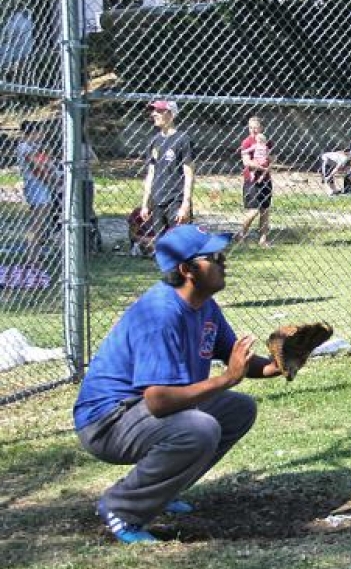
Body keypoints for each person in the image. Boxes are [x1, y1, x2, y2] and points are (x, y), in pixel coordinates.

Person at [72, 225, 283, 544]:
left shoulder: (205, 306)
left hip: (139, 414)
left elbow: (234, 359)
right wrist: (227, 378)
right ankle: (123, 508)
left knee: (238, 409)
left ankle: (162, 490)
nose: (224, 261)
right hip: (107, 423)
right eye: (214, 256)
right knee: (199, 428)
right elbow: (159, 401)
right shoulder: (160, 314)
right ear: (187, 269)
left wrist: (280, 364)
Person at [139, 100, 194, 240]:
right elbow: (151, 173)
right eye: (154, 111)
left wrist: (185, 204)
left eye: (159, 111)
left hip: (176, 198)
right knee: (161, 245)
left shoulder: (183, 139)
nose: (154, 114)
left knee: (180, 244)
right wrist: (145, 203)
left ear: (171, 114)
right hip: (157, 200)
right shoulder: (154, 141)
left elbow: (189, 174)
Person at [16, 120, 59, 264]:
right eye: (40, 132)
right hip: (36, 186)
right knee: (37, 222)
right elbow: (37, 168)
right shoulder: (25, 147)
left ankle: (36, 253)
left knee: (42, 222)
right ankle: (31, 257)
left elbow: (47, 163)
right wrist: (51, 180)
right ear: (33, 133)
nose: (42, 135)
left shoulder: (35, 147)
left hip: (42, 185)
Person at [236, 117, 272, 247]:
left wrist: (268, 164)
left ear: (261, 128)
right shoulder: (247, 142)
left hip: (266, 179)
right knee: (253, 210)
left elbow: (272, 156)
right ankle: (241, 234)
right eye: (251, 128)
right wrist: (261, 167)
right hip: (252, 179)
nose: (253, 130)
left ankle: (263, 239)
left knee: (265, 210)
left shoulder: (266, 141)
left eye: (256, 127)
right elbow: (246, 161)